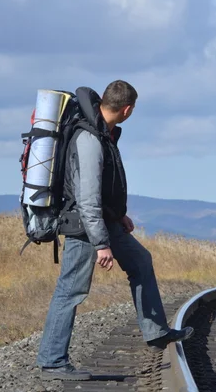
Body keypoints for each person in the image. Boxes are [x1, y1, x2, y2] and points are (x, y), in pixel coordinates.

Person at [36, 80, 193, 381]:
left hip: (104, 222)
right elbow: (87, 197)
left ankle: (156, 332)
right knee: (71, 290)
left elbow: (104, 190)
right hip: (84, 226)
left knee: (140, 261)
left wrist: (119, 217)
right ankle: (52, 361)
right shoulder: (90, 139)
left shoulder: (103, 133)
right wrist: (101, 245)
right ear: (127, 109)